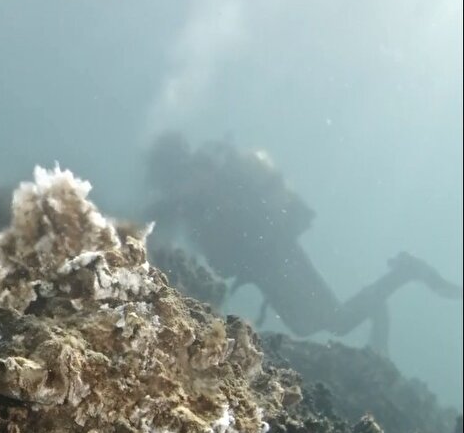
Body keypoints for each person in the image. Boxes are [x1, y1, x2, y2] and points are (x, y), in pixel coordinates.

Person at [144, 131, 462, 353]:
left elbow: (183, 205)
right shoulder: (199, 180)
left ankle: (404, 274)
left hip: (272, 251)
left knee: (331, 322)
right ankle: (388, 294)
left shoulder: (197, 177)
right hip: (263, 257)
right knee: (310, 324)